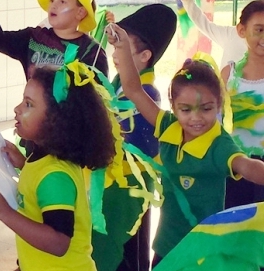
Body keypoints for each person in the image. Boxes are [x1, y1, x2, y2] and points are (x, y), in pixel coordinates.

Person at [107, 23, 264, 266]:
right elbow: (133, 89)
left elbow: (247, 166)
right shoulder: (168, 125)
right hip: (166, 246)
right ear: (173, 105)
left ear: (219, 105)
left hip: (203, 251)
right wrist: (123, 46)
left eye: (207, 108)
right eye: (185, 109)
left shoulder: (219, 143)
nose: (196, 118)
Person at [0, 64, 116, 270]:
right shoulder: (44, 159)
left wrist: (4, 212)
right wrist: (24, 166)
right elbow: (41, 192)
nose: (17, 109)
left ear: (56, 120)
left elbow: (58, 242)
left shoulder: (55, 176)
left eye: (29, 104)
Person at [92, 4, 176, 271]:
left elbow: (141, 146)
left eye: (122, 48)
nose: (115, 55)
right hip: (112, 187)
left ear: (144, 56)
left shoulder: (147, 95)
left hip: (129, 192)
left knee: (124, 252)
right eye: (115, 47)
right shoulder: (116, 85)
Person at [0, 0, 108, 81]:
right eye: (52, 0)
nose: (53, 5)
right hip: (34, 114)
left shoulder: (92, 52)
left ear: (80, 12)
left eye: (62, 1)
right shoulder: (33, 38)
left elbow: (99, 102)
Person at [221, 0, 264, 209]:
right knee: (237, 235)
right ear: (241, 30)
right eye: (259, 29)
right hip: (236, 171)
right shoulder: (228, 75)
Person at [179, 0, 246, 65]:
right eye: (259, 29)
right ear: (241, 29)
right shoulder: (231, 35)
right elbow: (204, 24)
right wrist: (188, 1)